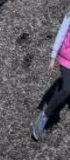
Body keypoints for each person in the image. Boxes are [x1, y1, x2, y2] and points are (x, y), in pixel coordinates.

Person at [32, 10, 70, 141]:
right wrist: (53, 56)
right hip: (67, 59)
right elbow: (61, 33)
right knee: (67, 89)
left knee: (64, 87)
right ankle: (44, 116)